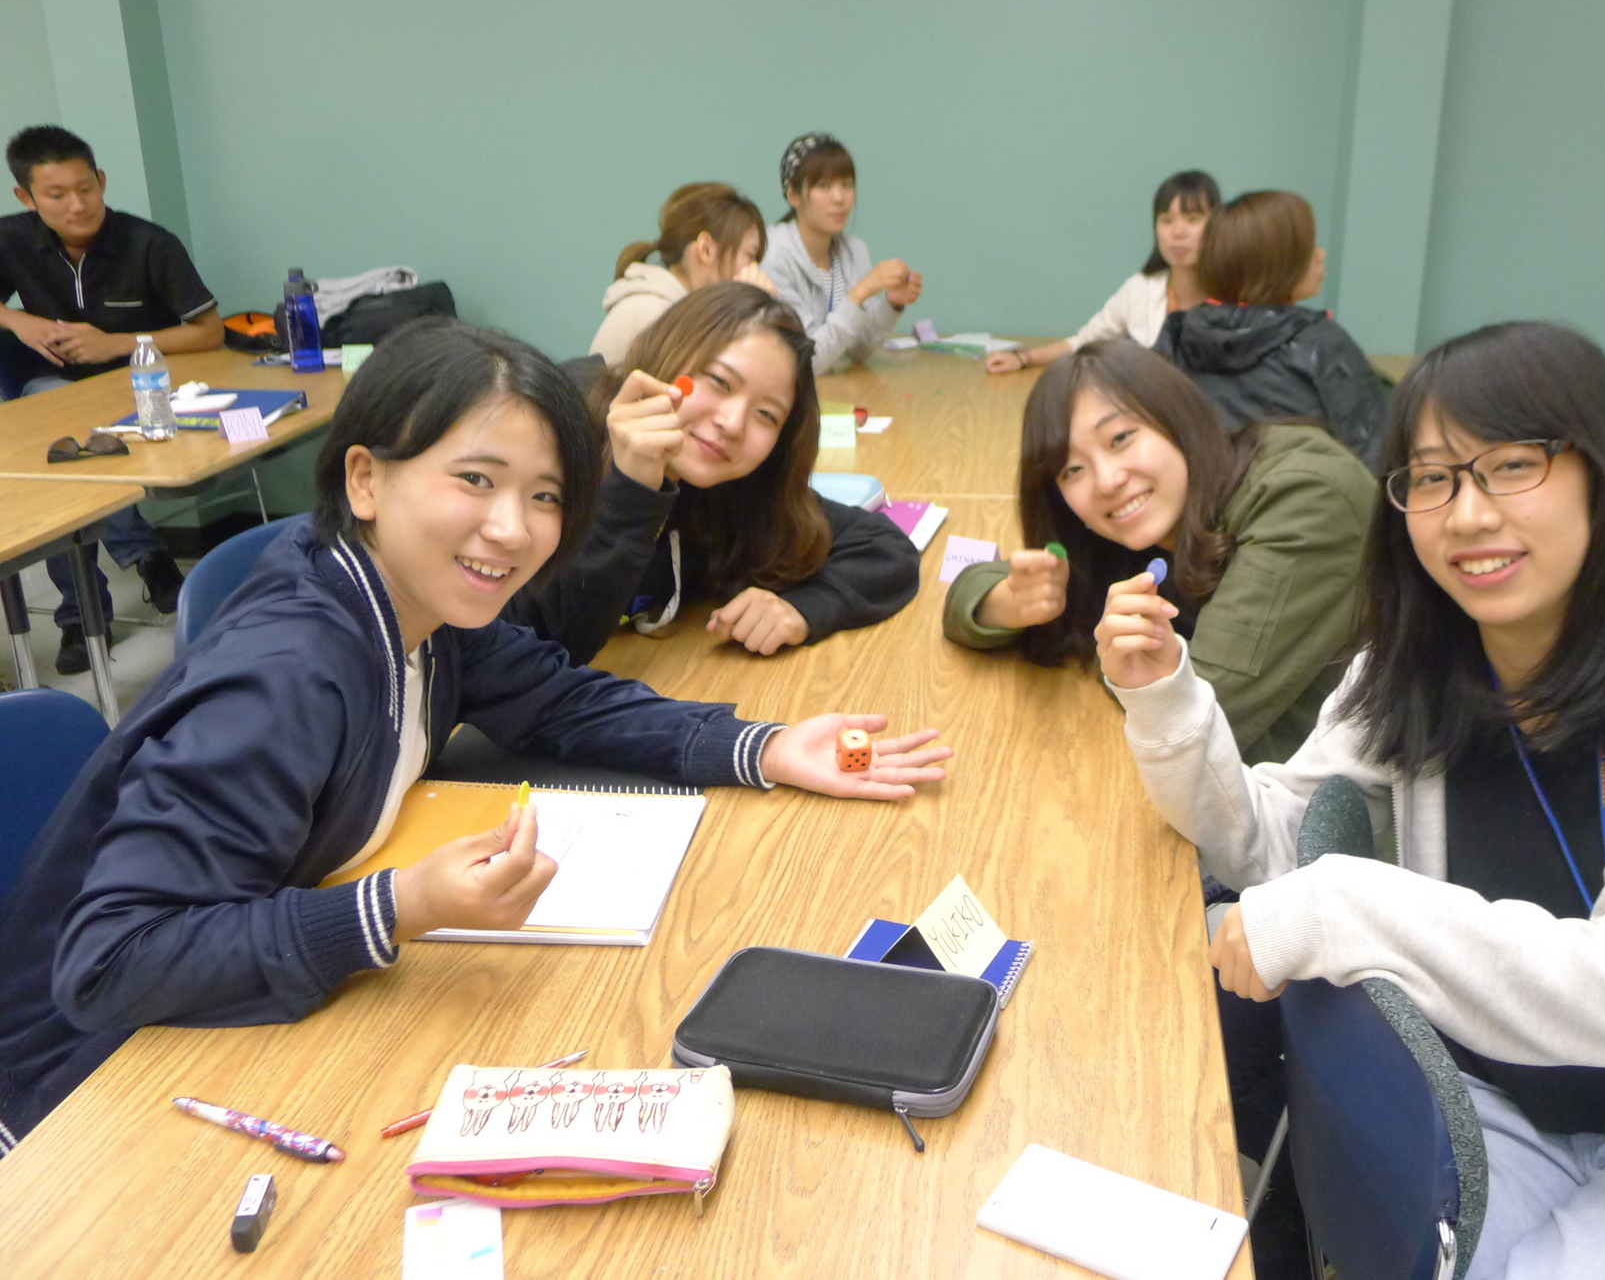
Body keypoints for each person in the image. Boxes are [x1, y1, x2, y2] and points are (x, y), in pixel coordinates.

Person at [0, 318, 950, 1151]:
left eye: (545, 496)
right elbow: (111, 965)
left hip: (234, 1008)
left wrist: (764, 748)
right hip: (80, 1087)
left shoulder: (413, 600)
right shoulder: (287, 677)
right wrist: (397, 907)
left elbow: (559, 700)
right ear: (365, 478)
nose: (512, 528)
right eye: (475, 480)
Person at [1099, 322, 1605, 1280]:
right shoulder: (1411, 666)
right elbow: (1265, 847)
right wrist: (1165, 694)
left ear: (1603, 473)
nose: (1468, 514)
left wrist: (1348, 909)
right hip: (1497, 1101)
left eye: (1512, 466)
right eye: (1432, 478)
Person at [944, 339, 1374, 766]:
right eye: (1072, 469)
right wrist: (1011, 603)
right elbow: (970, 593)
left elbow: (1202, 716)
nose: (1107, 480)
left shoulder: (1303, 498)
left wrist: (1113, 658)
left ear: (1176, 418)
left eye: (1120, 438)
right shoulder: (1143, 533)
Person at [509, 282, 919, 664]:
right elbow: (541, 644)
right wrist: (631, 488)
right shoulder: (553, 435)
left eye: (766, 415)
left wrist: (804, 608)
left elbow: (884, 547)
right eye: (719, 381)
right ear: (670, 352)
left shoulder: (732, 488)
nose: (733, 423)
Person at [0, 125, 219, 670]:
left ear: (101, 180)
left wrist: (116, 343)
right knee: (58, 444)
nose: (77, 205)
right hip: (54, 388)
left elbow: (209, 332)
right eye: (56, 195)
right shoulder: (11, 238)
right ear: (26, 197)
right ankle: (111, 586)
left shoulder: (149, 243)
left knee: (72, 453)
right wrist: (17, 320)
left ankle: (94, 603)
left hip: (143, 388)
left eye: (85, 189)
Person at [1154, 189, 1383, 466]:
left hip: (1205, 493)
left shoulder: (1175, 337)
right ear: (1277, 260)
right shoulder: (1321, 342)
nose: (1321, 254)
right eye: (1309, 246)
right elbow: (1373, 456)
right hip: (1301, 492)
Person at [984, 170, 1219, 375]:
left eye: (1193, 219)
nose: (1177, 232)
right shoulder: (1141, 288)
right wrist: (1025, 358)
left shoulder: (1232, 294)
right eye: (1166, 220)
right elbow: (1087, 341)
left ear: (1217, 224)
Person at [760, 133, 921, 376]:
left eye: (846, 185)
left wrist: (892, 304)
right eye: (824, 186)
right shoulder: (774, 256)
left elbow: (857, 349)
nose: (839, 198)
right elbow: (806, 362)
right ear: (794, 195)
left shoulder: (853, 251)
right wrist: (860, 292)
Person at [588, 182, 777, 366]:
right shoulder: (657, 314)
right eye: (750, 255)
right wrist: (748, 310)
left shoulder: (671, 307)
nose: (754, 269)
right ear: (706, 249)